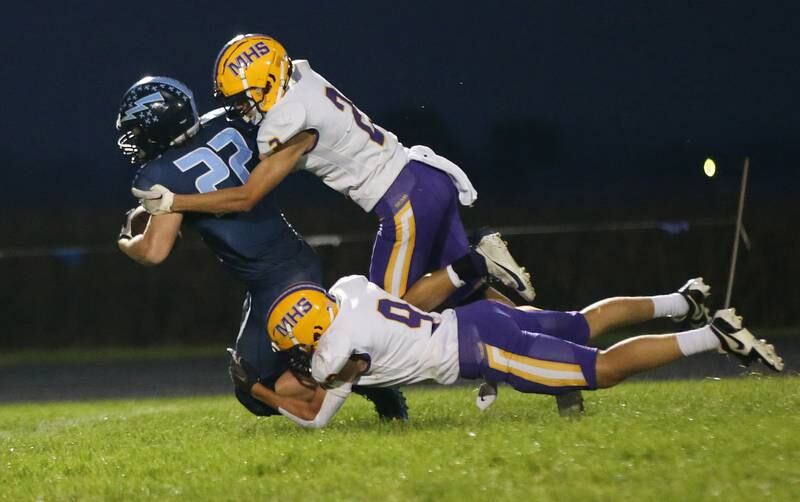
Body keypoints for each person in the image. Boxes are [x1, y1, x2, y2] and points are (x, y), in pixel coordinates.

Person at [131, 34, 536, 310]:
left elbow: (247, 196)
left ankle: (479, 260)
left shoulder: (287, 121)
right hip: (425, 177)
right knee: (467, 294)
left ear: (268, 80)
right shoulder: (302, 74)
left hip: (403, 199)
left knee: (389, 317)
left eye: (244, 97)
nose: (241, 107)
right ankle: (546, 347)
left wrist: (174, 200)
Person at [115, 76, 408, 419]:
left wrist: (125, 242)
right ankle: (360, 370)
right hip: (284, 267)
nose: (134, 140)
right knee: (254, 386)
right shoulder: (226, 122)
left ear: (156, 124)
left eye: (137, 130)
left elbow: (154, 251)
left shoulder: (161, 173)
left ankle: (371, 379)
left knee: (260, 389)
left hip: (281, 279)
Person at [227, 276, 784, 429]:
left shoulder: (332, 356)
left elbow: (318, 414)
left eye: (298, 349)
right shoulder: (350, 289)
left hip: (481, 349)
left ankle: (714, 336)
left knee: (601, 370)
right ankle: (680, 302)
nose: (300, 359)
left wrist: (255, 389)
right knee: (583, 322)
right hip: (477, 316)